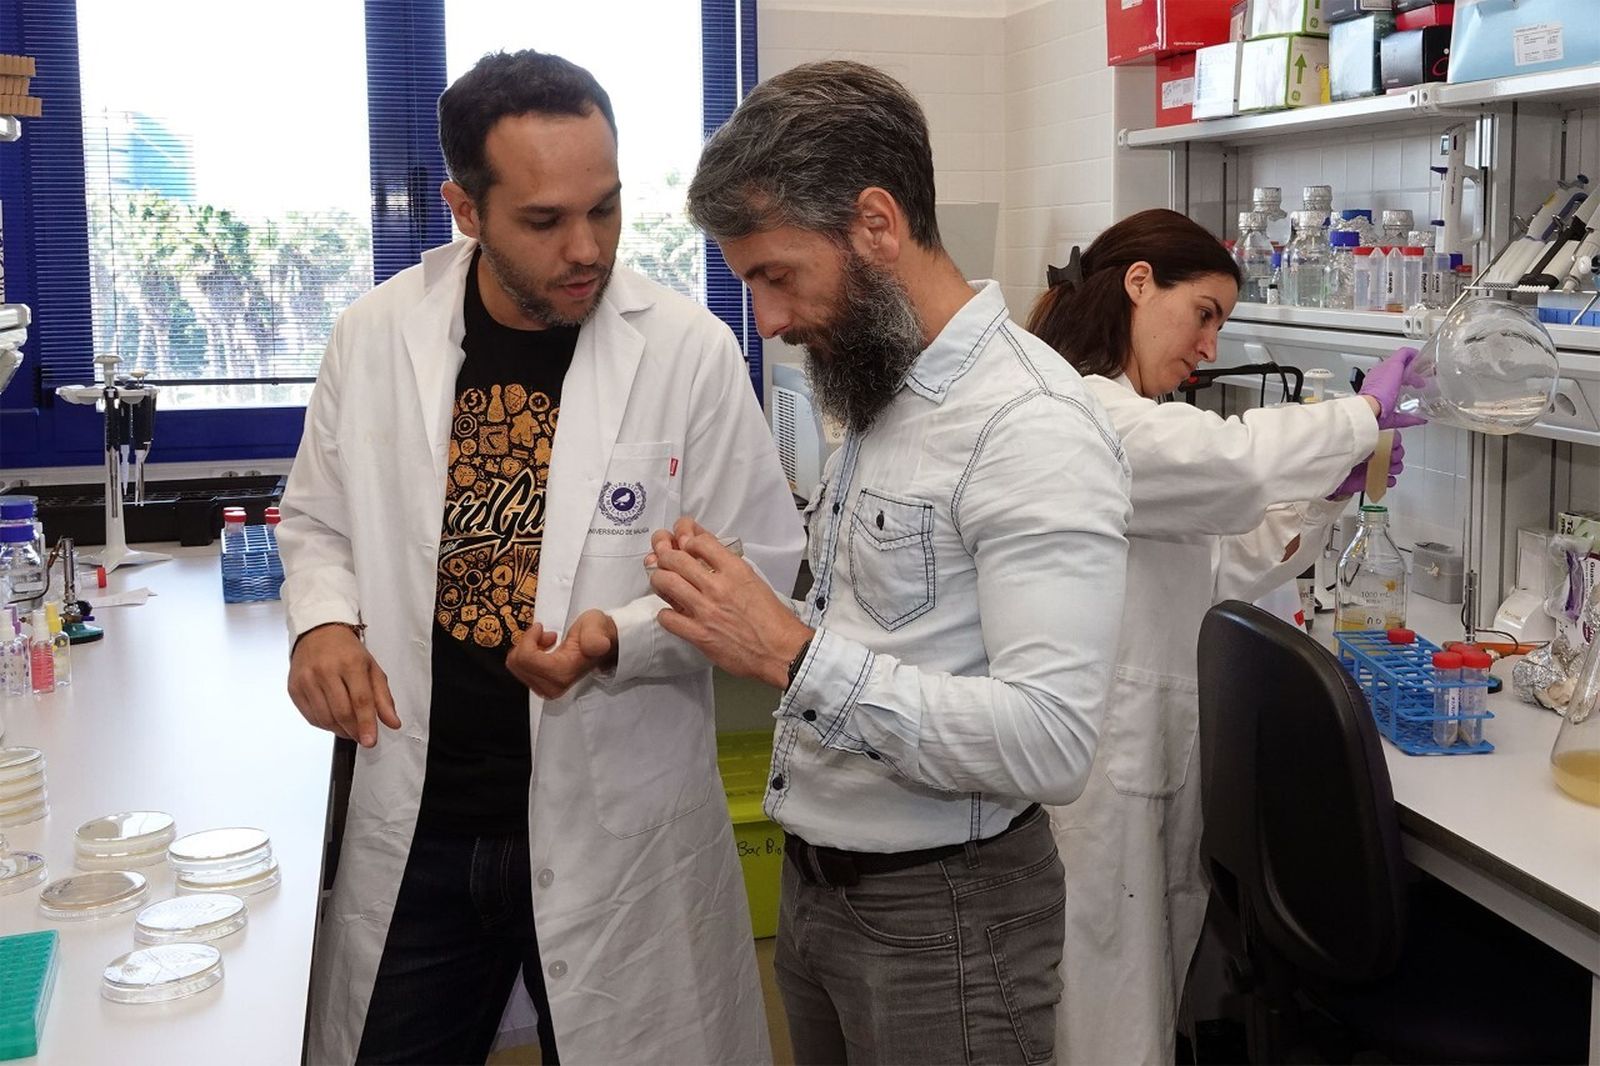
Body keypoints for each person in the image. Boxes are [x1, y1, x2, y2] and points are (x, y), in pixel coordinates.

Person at [279, 50, 803, 1065]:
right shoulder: (375, 335)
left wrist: (619, 637)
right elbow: (317, 521)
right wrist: (323, 621)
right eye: (545, 220)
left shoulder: (685, 348)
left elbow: (759, 563)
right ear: (464, 209)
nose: (587, 247)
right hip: (425, 818)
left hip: (615, 822)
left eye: (605, 209)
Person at [651, 60, 1133, 1065]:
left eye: (776, 276)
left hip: (945, 915)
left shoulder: (1026, 425)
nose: (769, 322)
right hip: (824, 889)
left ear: (875, 223)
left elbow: (1050, 742)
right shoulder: (884, 387)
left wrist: (793, 654)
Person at [1024, 208, 1423, 1066]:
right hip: (1096, 778)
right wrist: (1358, 417)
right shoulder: (1081, 412)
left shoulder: (1132, 416)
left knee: (1135, 1006)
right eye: (1204, 312)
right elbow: (1232, 460)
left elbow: (1217, 563)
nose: (1210, 345)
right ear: (1138, 283)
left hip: (1145, 755)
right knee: (1099, 1022)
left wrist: (1328, 495)